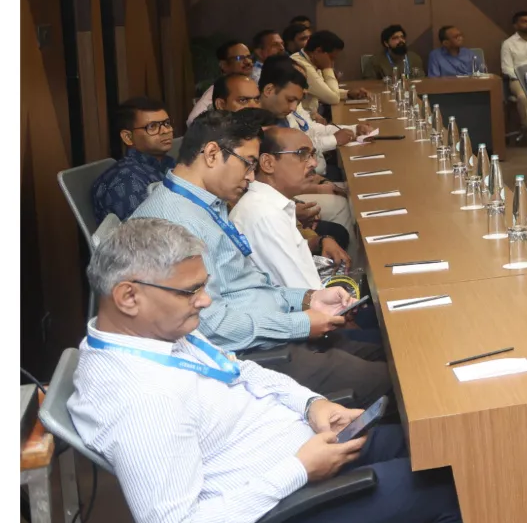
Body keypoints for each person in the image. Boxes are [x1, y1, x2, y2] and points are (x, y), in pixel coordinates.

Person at [70, 218, 490, 523]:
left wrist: (312, 405)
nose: (205, 301)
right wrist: (300, 469)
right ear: (129, 296)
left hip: (303, 460)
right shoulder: (140, 399)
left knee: (458, 446)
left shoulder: (156, 337)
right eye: (191, 291)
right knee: (460, 481)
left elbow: (243, 372)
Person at [125, 110, 389, 406]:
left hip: (273, 332)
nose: (252, 177)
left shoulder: (204, 205)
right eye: (248, 163)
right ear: (212, 154)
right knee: (398, 380)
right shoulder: (172, 224)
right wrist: (299, 324)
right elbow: (210, 327)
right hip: (253, 358)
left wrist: (307, 299)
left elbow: (248, 285)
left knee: (394, 354)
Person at [231, 123, 343, 290]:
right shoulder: (266, 216)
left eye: (312, 155)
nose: (313, 163)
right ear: (268, 163)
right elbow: (304, 293)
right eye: (302, 154)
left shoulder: (270, 205)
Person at [258, 55, 367, 190]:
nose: (293, 107)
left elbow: (311, 130)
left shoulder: (283, 110)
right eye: (290, 100)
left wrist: (354, 129)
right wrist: (320, 188)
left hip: (316, 175)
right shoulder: (258, 124)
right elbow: (290, 166)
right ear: (269, 90)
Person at [92, 97, 176, 224]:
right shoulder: (125, 180)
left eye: (167, 123)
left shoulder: (167, 163)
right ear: (128, 137)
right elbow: (145, 232)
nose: (165, 131)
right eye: (152, 126)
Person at [291, 30, 367, 115]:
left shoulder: (310, 60)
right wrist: (327, 68)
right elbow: (332, 98)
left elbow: (325, 91)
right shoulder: (301, 65)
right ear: (318, 51)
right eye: (331, 58)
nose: (332, 62)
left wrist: (347, 94)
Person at [189, 40, 254, 123]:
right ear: (224, 65)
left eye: (249, 57)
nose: (248, 62)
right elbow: (193, 120)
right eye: (240, 58)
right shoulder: (214, 93)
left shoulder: (253, 87)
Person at [501, 10, 527, 80]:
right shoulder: (508, 44)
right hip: (519, 80)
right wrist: (521, 78)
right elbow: (506, 68)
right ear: (515, 26)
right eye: (524, 22)